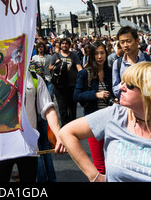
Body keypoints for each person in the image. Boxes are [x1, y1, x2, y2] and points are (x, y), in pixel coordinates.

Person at [59, 62, 151, 182]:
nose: (120, 87)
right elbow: (67, 132)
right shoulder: (115, 115)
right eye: (122, 82)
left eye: (129, 85)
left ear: (147, 92)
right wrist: (94, 176)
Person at [0, 67, 66, 182]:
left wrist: (59, 136)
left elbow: (49, 109)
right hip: (0, 148)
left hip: (28, 147)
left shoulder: (35, 79)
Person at [73, 41, 113, 174]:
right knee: (100, 166)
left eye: (102, 53)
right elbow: (77, 95)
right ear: (92, 56)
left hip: (112, 122)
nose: (100, 56)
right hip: (94, 122)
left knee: (113, 163)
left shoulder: (111, 71)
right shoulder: (85, 73)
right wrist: (96, 95)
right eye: (96, 53)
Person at [50, 38, 82, 126]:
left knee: (72, 107)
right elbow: (50, 68)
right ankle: (64, 126)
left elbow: (79, 67)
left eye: (66, 43)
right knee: (62, 108)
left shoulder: (73, 56)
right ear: (60, 45)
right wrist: (56, 64)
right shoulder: (56, 56)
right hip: (59, 87)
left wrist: (82, 74)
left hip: (72, 85)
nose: (64, 45)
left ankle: (72, 126)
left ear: (69, 45)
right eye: (63, 44)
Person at [112, 26, 150, 99]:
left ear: (137, 41)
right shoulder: (117, 64)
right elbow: (115, 91)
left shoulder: (148, 60)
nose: (125, 45)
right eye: (122, 42)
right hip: (127, 107)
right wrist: (122, 84)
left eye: (128, 41)